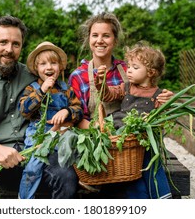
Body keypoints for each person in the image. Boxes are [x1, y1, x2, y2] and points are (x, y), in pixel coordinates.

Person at [0, 16, 78, 199]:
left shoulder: (33, 76)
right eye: (3, 42)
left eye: (15, 44)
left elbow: (65, 98)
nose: (9, 49)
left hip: (37, 149)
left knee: (66, 176)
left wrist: (66, 117)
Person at [68, 12, 173, 197]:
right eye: (95, 35)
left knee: (138, 180)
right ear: (89, 39)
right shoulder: (79, 75)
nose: (100, 40)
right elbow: (76, 118)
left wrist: (164, 99)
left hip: (131, 148)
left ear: (114, 40)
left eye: (106, 35)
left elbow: (149, 93)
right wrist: (100, 131)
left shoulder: (129, 69)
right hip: (99, 145)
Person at [94, 42, 172, 199]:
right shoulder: (127, 87)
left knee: (152, 165)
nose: (129, 70)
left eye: (135, 67)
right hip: (124, 138)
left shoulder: (157, 94)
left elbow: (164, 119)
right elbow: (107, 95)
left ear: (150, 72)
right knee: (131, 174)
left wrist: (168, 103)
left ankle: (162, 196)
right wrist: (101, 82)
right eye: (129, 66)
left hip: (144, 141)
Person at [18, 41, 83, 199]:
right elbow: (24, 110)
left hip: (60, 136)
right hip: (38, 138)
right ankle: (24, 199)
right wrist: (41, 91)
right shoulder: (32, 88)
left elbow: (79, 111)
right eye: (43, 64)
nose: (49, 67)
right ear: (36, 68)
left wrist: (67, 111)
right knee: (33, 167)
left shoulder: (66, 89)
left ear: (60, 67)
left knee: (71, 160)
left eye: (53, 63)